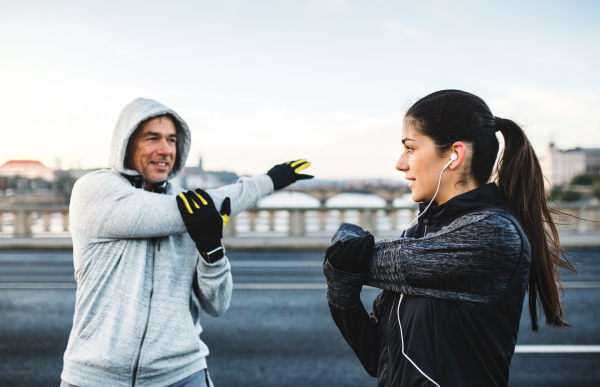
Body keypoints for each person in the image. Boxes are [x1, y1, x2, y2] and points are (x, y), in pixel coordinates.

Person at [323, 90, 575, 386]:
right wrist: (342, 291)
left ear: (455, 155)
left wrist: (341, 256)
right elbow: (376, 357)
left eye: (410, 148)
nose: (400, 163)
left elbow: (356, 262)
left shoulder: (492, 234)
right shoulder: (420, 234)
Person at [60, 97, 313, 387]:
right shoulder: (96, 190)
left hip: (182, 374)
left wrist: (212, 252)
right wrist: (269, 180)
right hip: (94, 378)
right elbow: (199, 208)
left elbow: (217, 304)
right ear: (126, 143)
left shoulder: (191, 208)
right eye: (152, 138)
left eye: (171, 140)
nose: (165, 150)